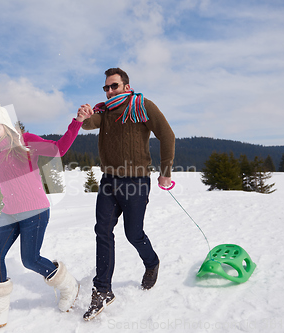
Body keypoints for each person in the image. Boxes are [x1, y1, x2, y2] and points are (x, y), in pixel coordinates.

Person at [0, 101, 92, 329]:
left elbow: (59, 149)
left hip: (34, 210)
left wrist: (77, 122)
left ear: (6, 126)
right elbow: (10, 177)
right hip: (9, 212)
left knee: (30, 259)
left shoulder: (25, 141)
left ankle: (69, 286)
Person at [79, 68, 175, 321]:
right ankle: (102, 291)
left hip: (136, 181)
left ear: (126, 87)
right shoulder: (105, 111)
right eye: (106, 88)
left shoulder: (142, 105)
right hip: (109, 180)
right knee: (103, 231)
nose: (110, 91)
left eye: (114, 86)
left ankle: (151, 262)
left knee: (133, 234)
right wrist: (84, 117)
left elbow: (166, 135)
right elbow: (90, 123)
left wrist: (166, 171)